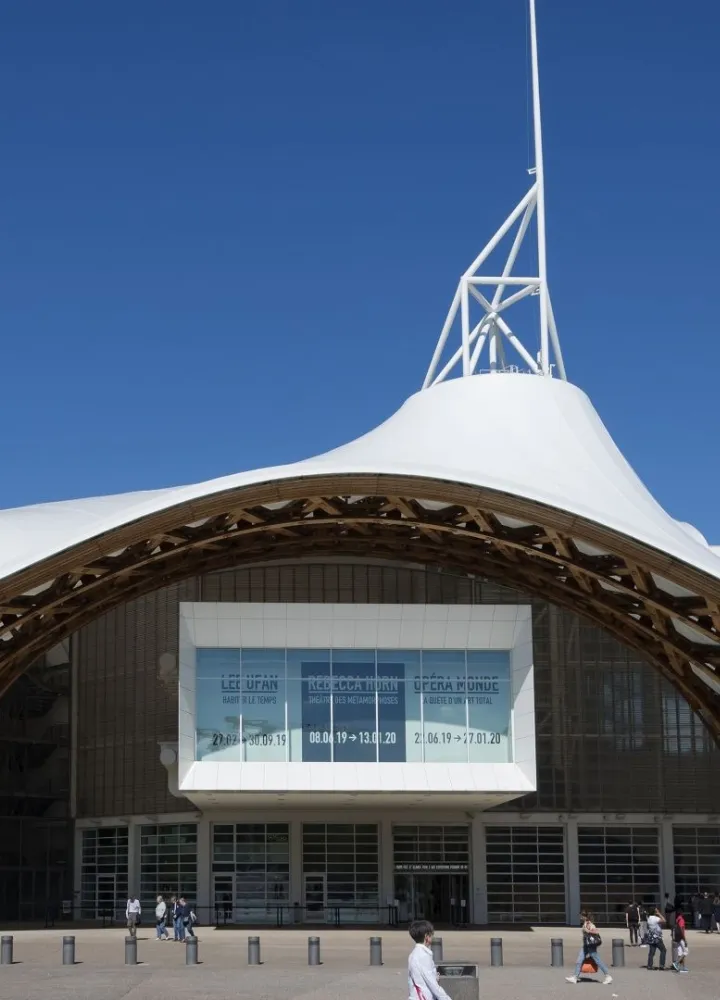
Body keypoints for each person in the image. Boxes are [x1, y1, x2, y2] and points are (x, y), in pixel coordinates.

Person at [407, 918, 452, 1000]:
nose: (433, 936)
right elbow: (432, 983)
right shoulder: (423, 956)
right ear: (426, 937)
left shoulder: (413, 954)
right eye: (431, 934)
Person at [565, 910, 613, 985]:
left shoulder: (590, 924)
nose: (580, 917)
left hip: (590, 946)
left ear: (585, 916)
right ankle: (575, 977)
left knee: (598, 960)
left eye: (581, 916)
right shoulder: (585, 923)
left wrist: (587, 930)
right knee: (579, 960)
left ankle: (608, 976)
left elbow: (596, 932)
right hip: (586, 945)